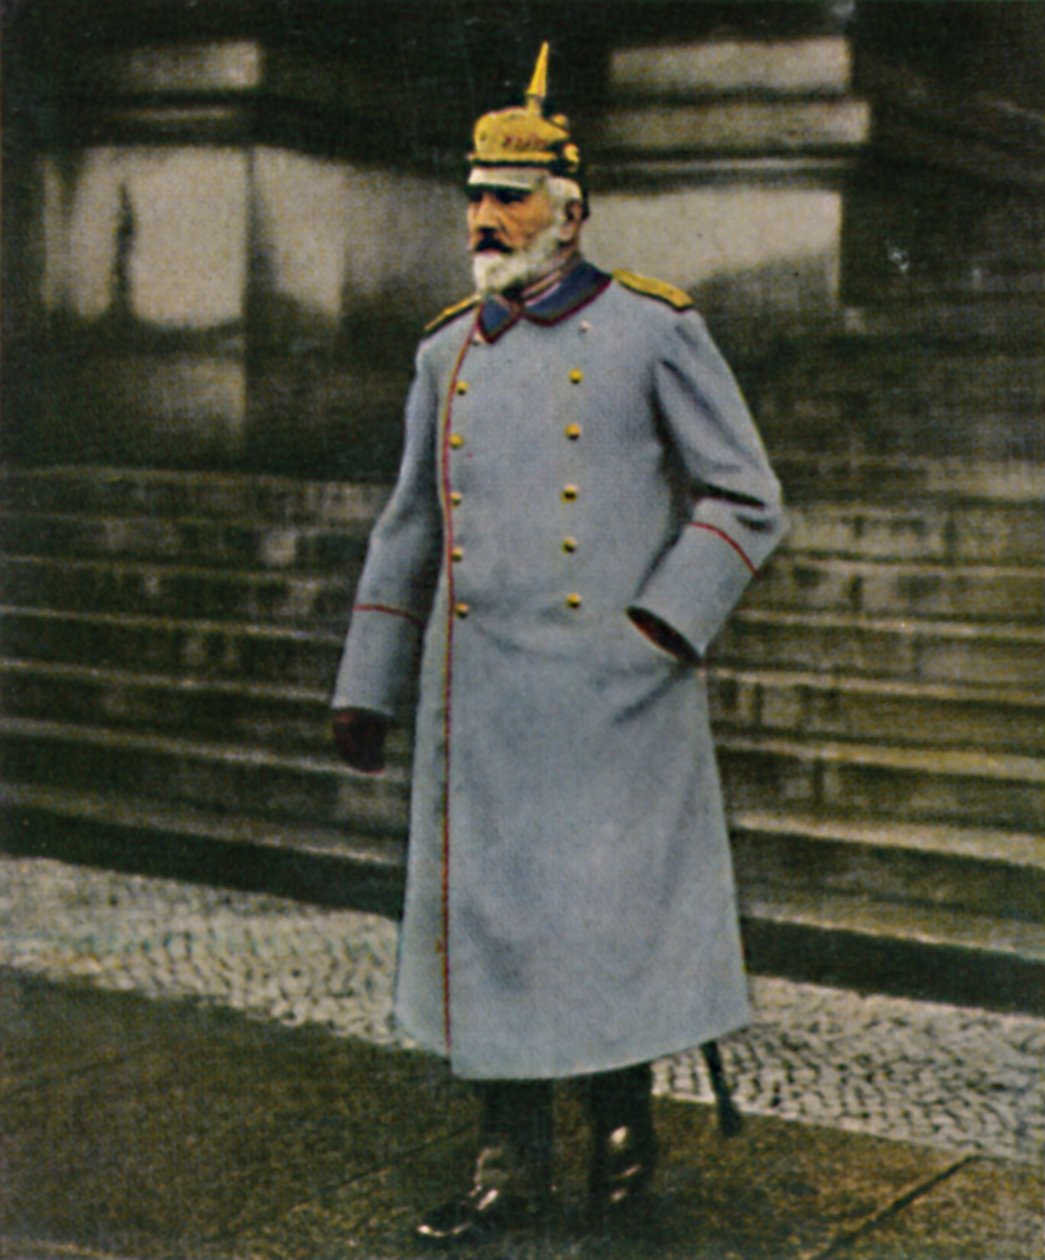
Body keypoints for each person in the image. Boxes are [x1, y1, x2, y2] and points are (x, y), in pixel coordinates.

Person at [331, 43, 786, 1246]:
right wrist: (368, 683)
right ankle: (506, 1162)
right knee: (488, 923)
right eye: (474, 196)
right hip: (478, 697)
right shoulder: (446, 353)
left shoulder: (652, 331)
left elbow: (745, 496)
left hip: (613, 692)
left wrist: (660, 624)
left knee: (606, 918)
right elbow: (408, 524)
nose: (483, 219)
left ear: (569, 213)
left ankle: (623, 1144)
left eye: (510, 197)